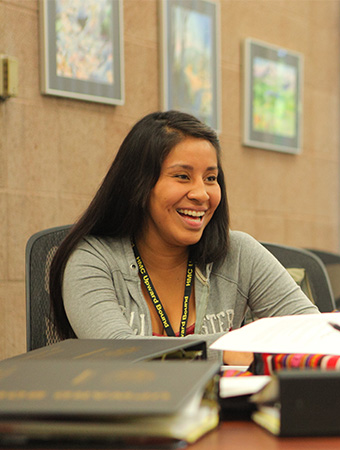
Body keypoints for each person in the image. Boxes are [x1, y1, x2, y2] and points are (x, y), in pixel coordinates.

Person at [48, 111, 319, 364]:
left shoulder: (238, 252)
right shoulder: (92, 260)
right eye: (182, 176)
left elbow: (311, 332)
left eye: (211, 178)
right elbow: (117, 354)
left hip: (223, 410)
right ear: (139, 184)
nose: (202, 193)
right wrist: (225, 348)